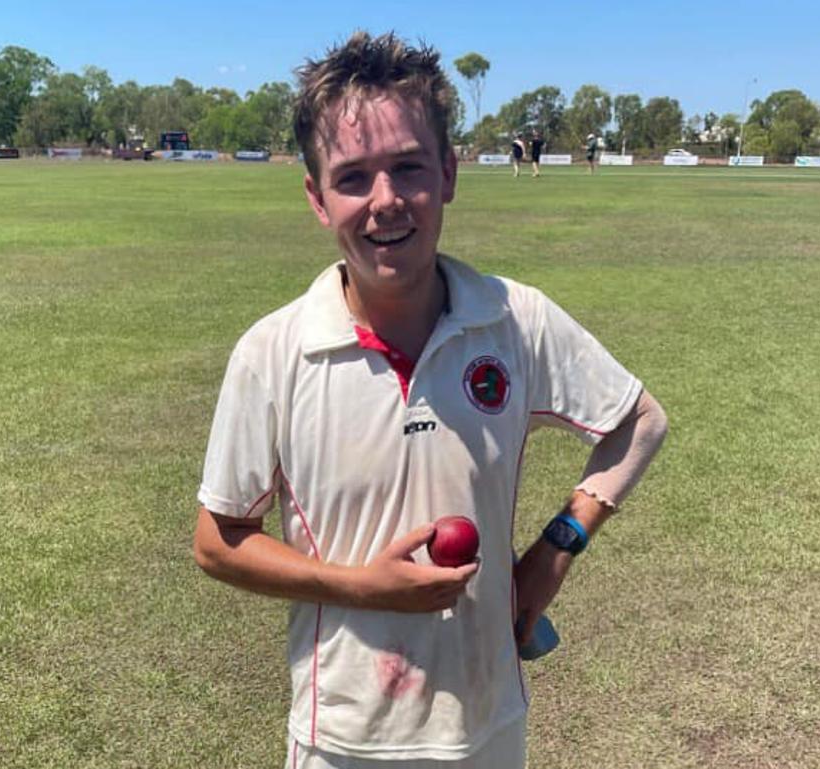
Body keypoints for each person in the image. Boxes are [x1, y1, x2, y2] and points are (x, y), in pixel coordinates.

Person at [193, 31, 668, 769]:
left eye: (408, 167)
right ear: (318, 199)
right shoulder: (274, 351)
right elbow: (216, 540)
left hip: (487, 724)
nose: (385, 202)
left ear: (447, 174)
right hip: (343, 737)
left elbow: (640, 422)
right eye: (353, 178)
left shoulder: (515, 320)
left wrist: (554, 552)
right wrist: (362, 588)